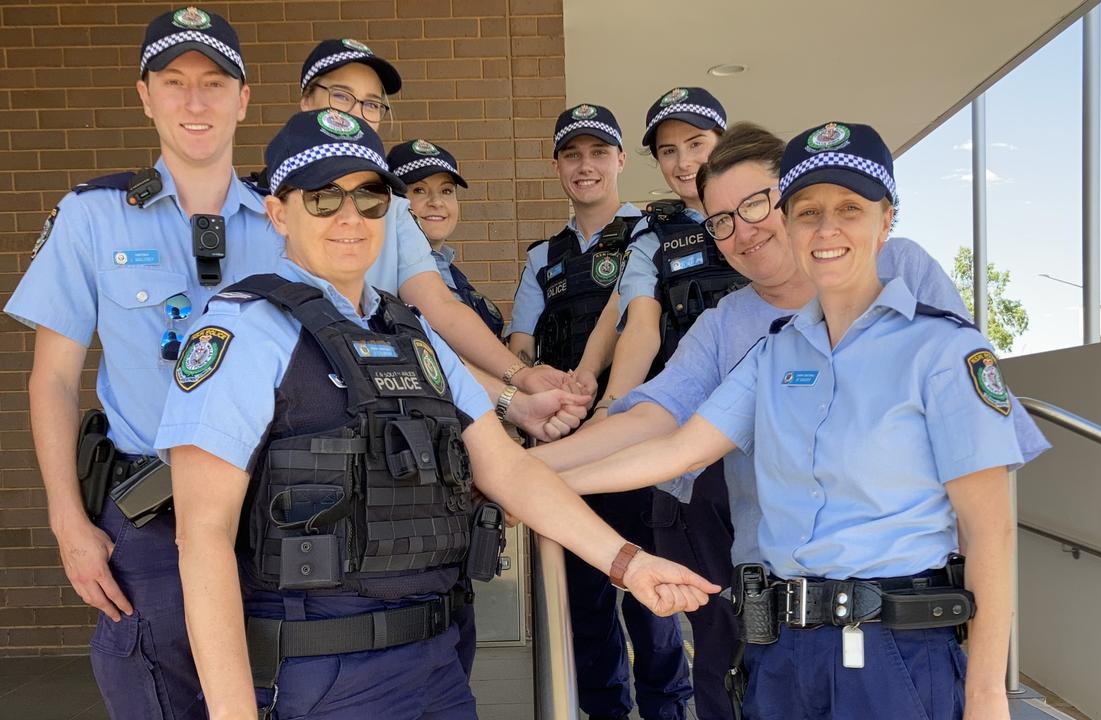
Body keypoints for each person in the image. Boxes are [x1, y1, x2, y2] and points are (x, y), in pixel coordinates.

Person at [154, 109, 717, 720]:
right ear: (277, 211)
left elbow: (507, 470)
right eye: (322, 198)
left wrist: (626, 562)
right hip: (317, 672)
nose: (350, 219)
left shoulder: (411, 334)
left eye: (369, 199)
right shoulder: (242, 332)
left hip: (436, 664)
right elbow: (201, 536)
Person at [559, 122, 1034, 720]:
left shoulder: (940, 346)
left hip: (893, 645)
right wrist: (529, 481)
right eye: (808, 212)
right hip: (781, 647)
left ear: (886, 221)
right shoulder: (771, 351)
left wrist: (987, 691)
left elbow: (990, 527)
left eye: (849, 210)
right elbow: (675, 446)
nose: (826, 229)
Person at [3, 8, 280, 718]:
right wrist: (69, 523)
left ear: (243, 99)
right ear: (144, 95)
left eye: (214, 83)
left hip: (281, 515)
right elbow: (54, 380)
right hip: (150, 523)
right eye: (174, 81)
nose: (195, 102)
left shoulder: (288, 223)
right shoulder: (91, 216)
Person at [509, 103, 693, 720]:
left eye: (597, 153)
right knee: (585, 602)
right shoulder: (543, 257)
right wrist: (534, 381)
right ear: (558, 166)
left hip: (641, 446)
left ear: (619, 160)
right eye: (571, 154)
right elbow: (520, 346)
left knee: (653, 598)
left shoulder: (657, 232)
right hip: (565, 444)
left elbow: (637, 323)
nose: (585, 166)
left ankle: (668, 710)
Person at [575, 86, 739, 719]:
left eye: (695, 144)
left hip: (771, 440)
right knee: (710, 612)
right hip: (686, 443)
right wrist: (611, 412)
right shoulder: (652, 236)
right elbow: (638, 327)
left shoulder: (768, 217)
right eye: (668, 151)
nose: (682, 162)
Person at [295, 39, 582, 401]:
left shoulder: (395, 212)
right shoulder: (264, 202)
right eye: (341, 95)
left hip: (377, 401)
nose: (358, 114)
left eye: (371, 103)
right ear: (306, 101)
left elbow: (439, 309)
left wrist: (520, 379)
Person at [387, 139, 504, 337]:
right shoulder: (386, 277)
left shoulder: (456, 277)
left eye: (446, 191)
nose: (436, 202)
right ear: (393, 200)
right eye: (419, 190)